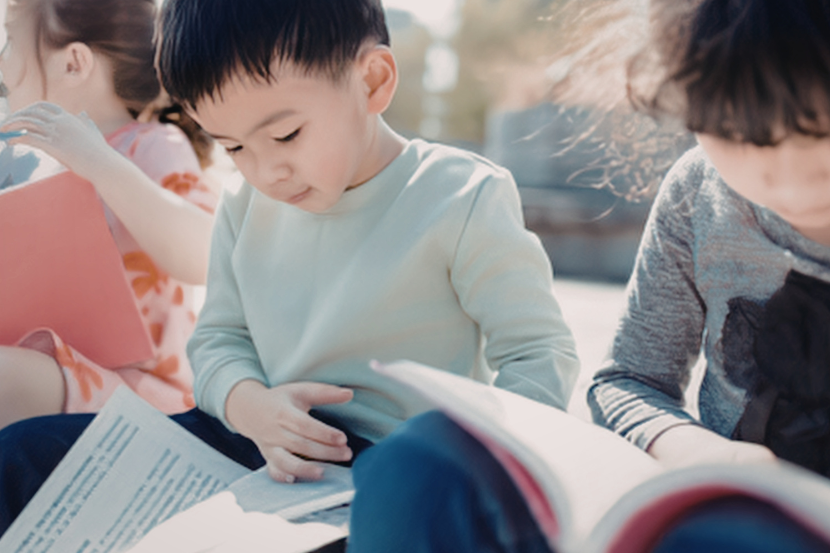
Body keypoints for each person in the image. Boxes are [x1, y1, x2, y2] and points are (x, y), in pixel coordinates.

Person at [0, 0, 579, 536]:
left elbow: (536, 352)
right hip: (255, 438)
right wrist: (247, 402)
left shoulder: (461, 195)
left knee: (402, 497)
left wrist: (487, 461)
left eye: (285, 134)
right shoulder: (243, 205)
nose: (267, 171)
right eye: (235, 148)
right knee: (24, 454)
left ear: (373, 81)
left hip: (390, 460)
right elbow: (218, 342)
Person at [347, 0, 830, 551]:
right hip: (720, 514)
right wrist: (702, 453)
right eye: (734, 131)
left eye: (815, 131)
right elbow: (629, 382)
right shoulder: (701, 193)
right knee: (421, 466)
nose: (784, 175)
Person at [0, 0, 217, 429]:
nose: (2, 59)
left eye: (9, 38)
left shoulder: (153, 145)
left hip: (141, 391)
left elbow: (205, 256)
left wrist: (100, 164)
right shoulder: (34, 170)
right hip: (53, 370)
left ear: (75, 62)